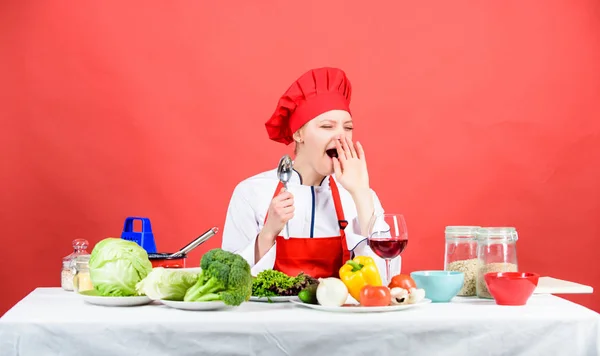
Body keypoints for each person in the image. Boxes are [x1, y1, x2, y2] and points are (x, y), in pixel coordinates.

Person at [221, 67, 400, 281]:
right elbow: (227, 280)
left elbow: (384, 279)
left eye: (348, 127)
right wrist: (268, 233)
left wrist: (362, 194)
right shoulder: (251, 192)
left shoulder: (358, 195)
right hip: (268, 314)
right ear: (298, 134)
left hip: (337, 314)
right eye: (327, 126)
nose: (342, 137)